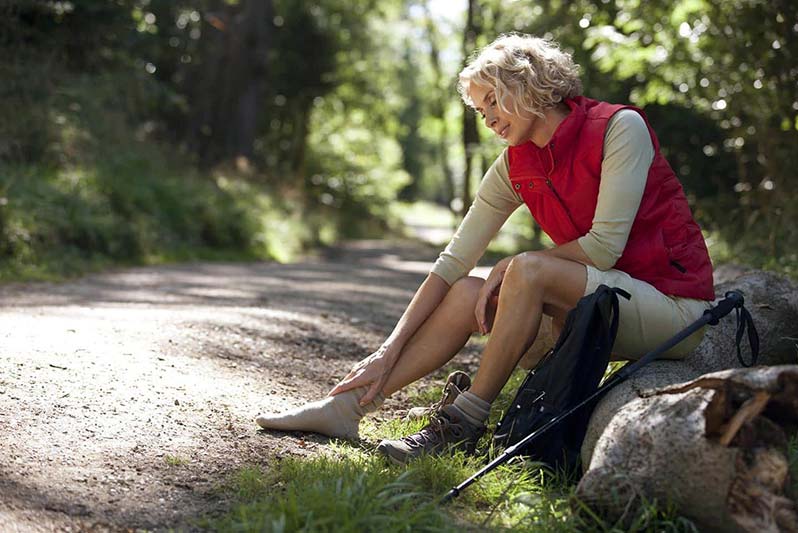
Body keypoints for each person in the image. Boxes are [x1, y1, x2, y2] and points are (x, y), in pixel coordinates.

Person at [255, 33, 715, 464]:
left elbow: (604, 248)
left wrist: (513, 265)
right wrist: (389, 347)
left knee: (527, 271)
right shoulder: (514, 164)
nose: (489, 118)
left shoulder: (618, 128)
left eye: (493, 100)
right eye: (480, 109)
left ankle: (464, 421)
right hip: (596, 300)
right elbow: (453, 261)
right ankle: (346, 408)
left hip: (672, 309)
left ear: (530, 86)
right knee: (464, 289)